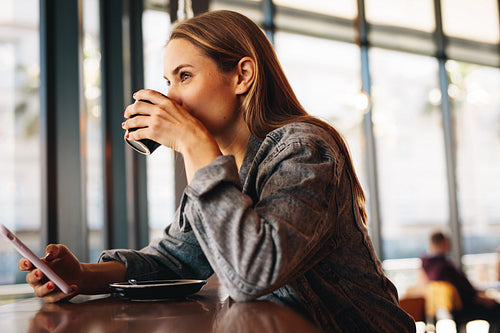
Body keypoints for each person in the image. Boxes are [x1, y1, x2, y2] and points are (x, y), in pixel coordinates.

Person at [18, 10, 415, 332]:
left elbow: (254, 274)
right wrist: (80, 275)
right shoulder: (223, 165)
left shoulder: (304, 148)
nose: (171, 96)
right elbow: (177, 259)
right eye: (168, 81)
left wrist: (194, 144)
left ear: (242, 75)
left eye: (185, 77)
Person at [421, 230, 500, 330]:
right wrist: (483, 299)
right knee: (497, 310)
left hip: (448, 308)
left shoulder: (427, 265)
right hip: (463, 307)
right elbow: (465, 290)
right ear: (444, 243)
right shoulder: (444, 266)